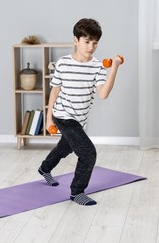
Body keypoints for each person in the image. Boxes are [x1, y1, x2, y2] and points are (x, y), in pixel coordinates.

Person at [38, 18, 123, 206]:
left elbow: (103, 94)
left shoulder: (98, 67)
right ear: (76, 40)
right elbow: (55, 90)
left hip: (79, 119)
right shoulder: (63, 63)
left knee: (65, 147)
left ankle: (44, 169)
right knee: (88, 154)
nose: (91, 47)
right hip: (63, 115)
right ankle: (77, 192)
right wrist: (49, 118)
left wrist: (114, 68)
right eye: (87, 41)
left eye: (95, 42)